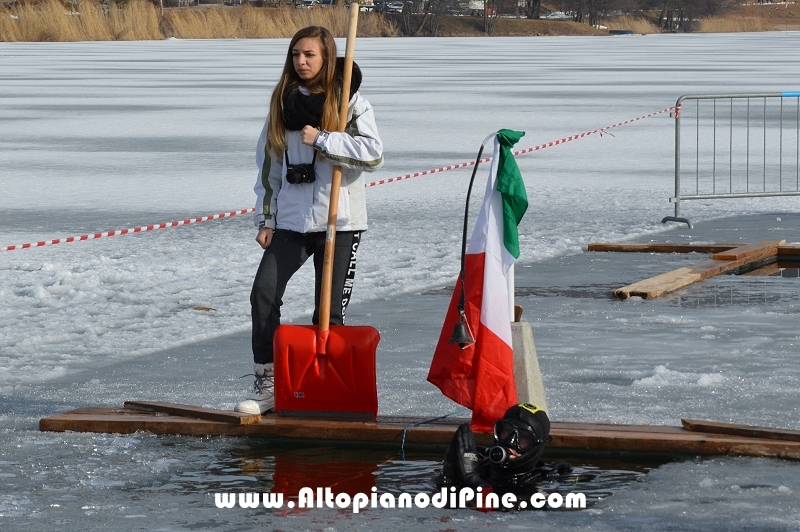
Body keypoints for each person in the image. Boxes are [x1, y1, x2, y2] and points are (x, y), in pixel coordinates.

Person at [235, 26, 383, 415]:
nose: (301, 62)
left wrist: (323, 140)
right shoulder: (281, 106)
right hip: (291, 222)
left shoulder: (350, 102)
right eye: (296, 54)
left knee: (327, 313)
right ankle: (267, 379)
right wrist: (265, 219)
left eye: (310, 56)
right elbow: (268, 170)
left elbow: (372, 154)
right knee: (263, 293)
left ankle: (323, 386)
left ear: (327, 60)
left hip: (340, 220)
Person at [435, 403, 573, 493]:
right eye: (506, 431)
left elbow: (495, 519)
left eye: (523, 438)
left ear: (536, 446)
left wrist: (472, 480)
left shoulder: (538, 483)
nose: (510, 442)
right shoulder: (484, 466)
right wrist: (449, 473)